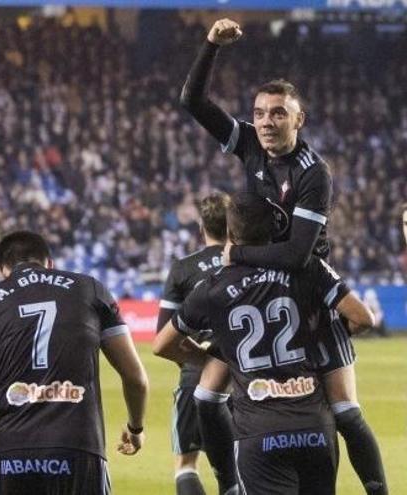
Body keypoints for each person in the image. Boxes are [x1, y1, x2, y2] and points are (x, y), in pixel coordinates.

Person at [180, 19, 387, 494]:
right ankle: (230, 483)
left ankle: (379, 489)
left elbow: (297, 253)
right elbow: (192, 103)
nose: (267, 122)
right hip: (264, 278)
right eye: (260, 113)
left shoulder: (314, 173)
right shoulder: (250, 143)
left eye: (277, 114)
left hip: (308, 281)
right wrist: (211, 45)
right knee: (207, 395)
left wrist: (236, 254)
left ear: (299, 120)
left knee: (344, 409)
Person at [154, 192, 376, 494]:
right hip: (314, 428)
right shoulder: (304, 269)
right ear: (275, 231)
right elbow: (363, 318)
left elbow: (162, 344)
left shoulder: (213, 286)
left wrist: (213, 361)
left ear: (231, 234)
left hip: (259, 432)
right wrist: (313, 345)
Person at [0, 231, 148, 495]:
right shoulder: (90, 289)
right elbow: (135, 377)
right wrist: (135, 427)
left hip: (13, 454)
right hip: (79, 448)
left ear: (2, 271)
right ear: (50, 263)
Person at [157, 193, 233, 495]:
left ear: (201, 228)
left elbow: (164, 333)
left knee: (186, 465)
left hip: (195, 376)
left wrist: (196, 361)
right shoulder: (251, 263)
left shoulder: (183, 268)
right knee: (235, 468)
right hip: (242, 375)